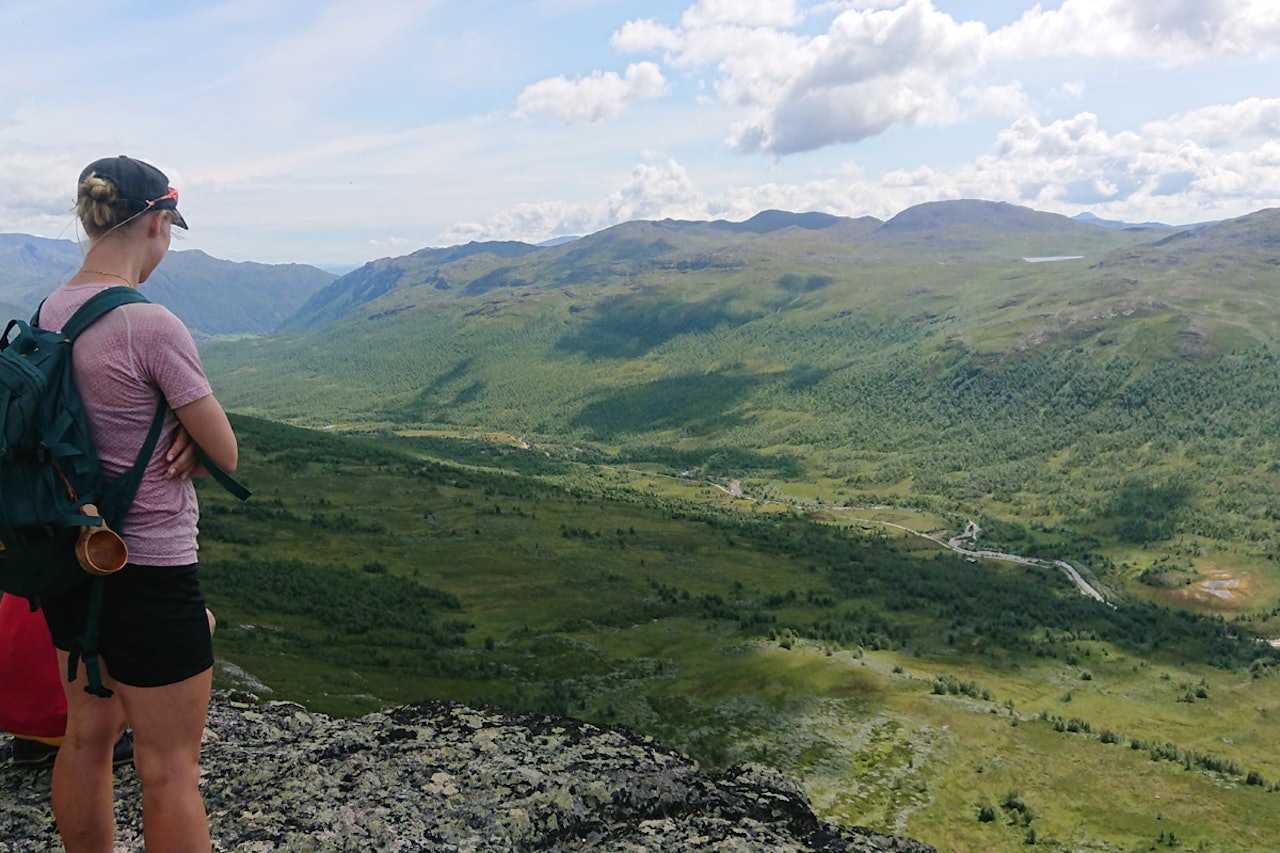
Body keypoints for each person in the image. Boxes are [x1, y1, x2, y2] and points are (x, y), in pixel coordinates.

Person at [36, 155, 238, 853]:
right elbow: (227, 453)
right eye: (168, 230)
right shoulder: (151, 327)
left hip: (76, 563)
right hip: (152, 570)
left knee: (86, 736)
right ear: (156, 221)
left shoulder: (49, 310)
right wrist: (185, 425)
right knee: (171, 769)